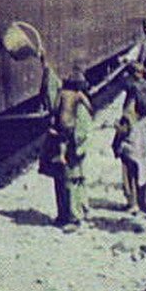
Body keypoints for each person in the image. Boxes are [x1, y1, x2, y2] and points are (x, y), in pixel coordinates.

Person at [51, 69, 94, 230]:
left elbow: (81, 130)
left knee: (71, 182)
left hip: (72, 146)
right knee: (77, 180)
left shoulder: (66, 97)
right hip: (75, 145)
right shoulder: (80, 98)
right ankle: (79, 210)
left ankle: (74, 216)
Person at [117, 91, 146, 223]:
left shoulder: (140, 125)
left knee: (144, 191)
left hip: (140, 159)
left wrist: (122, 146)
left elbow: (133, 143)